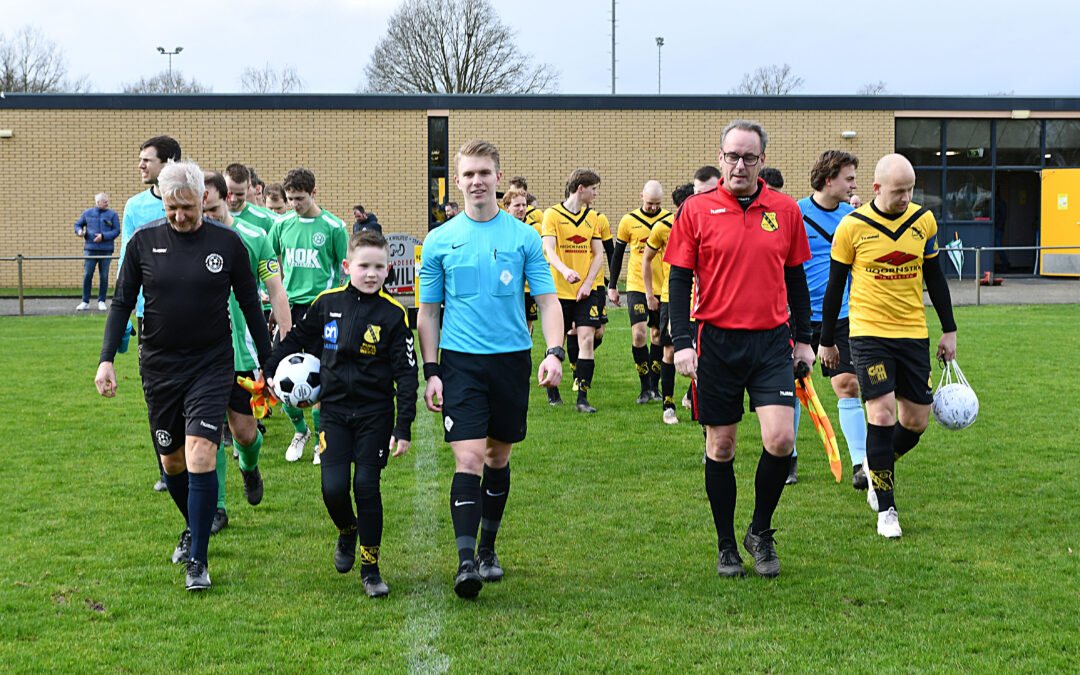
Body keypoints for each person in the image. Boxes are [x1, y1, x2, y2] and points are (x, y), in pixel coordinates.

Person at [95, 160, 272, 591]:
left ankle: (198, 561)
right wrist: (106, 359)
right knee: (172, 461)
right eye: (172, 208)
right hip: (158, 366)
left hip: (212, 364)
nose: (179, 216)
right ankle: (192, 525)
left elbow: (250, 303)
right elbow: (121, 303)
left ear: (204, 198)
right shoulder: (142, 243)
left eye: (187, 208)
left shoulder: (227, 244)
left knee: (200, 456)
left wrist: (269, 359)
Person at [666, 119, 813, 578]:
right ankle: (727, 545)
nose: (740, 165)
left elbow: (796, 279)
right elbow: (678, 278)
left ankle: (760, 531)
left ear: (762, 161)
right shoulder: (695, 209)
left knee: (781, 439)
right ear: (722, 156)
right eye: (732, 156)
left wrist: (805, 339)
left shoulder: (785, 210)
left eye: (750, 157)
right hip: (717, 341)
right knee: (722, 445)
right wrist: (682, 341)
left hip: (772, 341)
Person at [418, 140, 563, 599]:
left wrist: (554, 352)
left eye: (485, 173)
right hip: (460, 364)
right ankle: (465, 564)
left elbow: (547, 301)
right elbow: (428, 313)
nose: (477, 181)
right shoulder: (439, 240)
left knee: (498, 457)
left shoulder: (522, 238)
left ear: (499, 179)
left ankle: (487, 547)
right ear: (456, 182)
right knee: (469, 457)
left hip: (511, 360)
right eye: (469, 174)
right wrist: (432, 369)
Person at [264, 229, 416, 597]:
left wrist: (403, 425)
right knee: (333, 490)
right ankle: (347, 532)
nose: (371, 273)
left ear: (388, 270)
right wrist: (271, 369)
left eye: (379, 267)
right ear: (348, 266)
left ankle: (371, 568)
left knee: (366, 487)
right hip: (333, 412)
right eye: (364, 266)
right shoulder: (327, 302)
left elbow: (407, 373)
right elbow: (296, 338)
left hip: (375, 414)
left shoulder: (394, 315)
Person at [817, 153, 957, 539]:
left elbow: (935, 276)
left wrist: (949, 329)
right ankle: (887, 509)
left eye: (911, 190)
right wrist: (828, 341)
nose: (906, 197)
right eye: (898, 191)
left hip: (913, 333)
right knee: (880, 415)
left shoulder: (923, 221)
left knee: (915, 421)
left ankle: (876, 470)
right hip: (868, 334)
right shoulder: (852, 226)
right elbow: (834, 288)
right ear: (876, 188)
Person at [202, 171, 292, 533]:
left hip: (243, 351)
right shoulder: (192, 237)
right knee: (209, 434)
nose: (204, 217)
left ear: (226, 199)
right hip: (204, 355)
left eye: (211, 209)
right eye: (201, 210)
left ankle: (250, 467)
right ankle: (217, 507)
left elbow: (276, 288)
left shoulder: (254, 237)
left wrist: (285, 336)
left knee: (244, 434)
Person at [792, 150, 867, 489]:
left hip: (843, 314)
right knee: (793, 389)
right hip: (800, 316)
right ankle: (787, 458)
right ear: (828, 180)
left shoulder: (855, 217)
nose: (854, 184)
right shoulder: (794, 213)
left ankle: (860, 465)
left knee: (847, 384)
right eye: (849, 178)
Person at [267, 168, 349, 463]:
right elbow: (269, 261)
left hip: (324, 311)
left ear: (314, 193)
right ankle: (300, 431)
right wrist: (271, 292)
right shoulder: (281, 224)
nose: (294, 205)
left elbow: (346, 269)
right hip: (289, 311)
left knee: (322, 377)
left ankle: (321, 441)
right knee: (278, 377)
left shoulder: (334, 226)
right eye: (290, 199)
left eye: (299, 199)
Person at [119, 134, 183, 492]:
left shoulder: (189, 199)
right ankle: (166, 466)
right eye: (140, 159)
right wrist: (123, 309)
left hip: (192, 313)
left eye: (147, 159)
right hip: (149, 314)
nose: (141, 165)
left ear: (169, 163)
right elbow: (126, 263)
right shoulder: (134, 207)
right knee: (155, 390)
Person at [542, 169, 605, 412]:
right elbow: (548, 250)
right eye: (594, 188)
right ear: (581, 188)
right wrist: (565, 270)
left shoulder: (593, 218)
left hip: (584, 293)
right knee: (555, 341)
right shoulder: (552, 215)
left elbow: (598, 254)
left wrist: (588, 283)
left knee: (587, 339)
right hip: (558, 292)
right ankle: (552, 387)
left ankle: (582, 398)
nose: (596, 193)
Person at [608, 181, 671, 404]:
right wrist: (613, 285)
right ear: (641, 196)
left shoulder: (669, 220)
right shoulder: (629, 220)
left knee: (657, 337)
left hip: (662, 287)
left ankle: (655, 387)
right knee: (639, 334)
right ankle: (644, 388)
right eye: (650, 203)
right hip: (636, 285)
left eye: (657, 204)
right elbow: (617, 254)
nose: (653, 207)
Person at [642, 182, 693, 424]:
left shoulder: (708, 222)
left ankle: (693, 397)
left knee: (704, 352)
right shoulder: (663, 227)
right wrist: (650, 293)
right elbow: (646, 259)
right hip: (672, 298)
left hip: (702, 298)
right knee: (670, 350)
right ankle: (668, 405)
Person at [504, 188, 541, 334]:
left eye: (524, 205)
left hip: (528, 289)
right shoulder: (500, 229)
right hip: (506, 287)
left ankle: (525, 355)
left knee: (527, 327)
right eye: (517, 205)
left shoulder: (534, 229)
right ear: (507, 207)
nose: (522, 209)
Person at [74, 193, 121, 311]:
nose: (107, 203)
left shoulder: (112, 214)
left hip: (106, 250)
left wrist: (103, 236)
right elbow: (77, 224)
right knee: (87, 275)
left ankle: (102, 301)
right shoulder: (87, 213)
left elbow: (117, 231)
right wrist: (79, 231)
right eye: (105, 201)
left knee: (104, 276)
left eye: (107, 201)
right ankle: (85, 301)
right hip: (90, 249)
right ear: (98, 202)